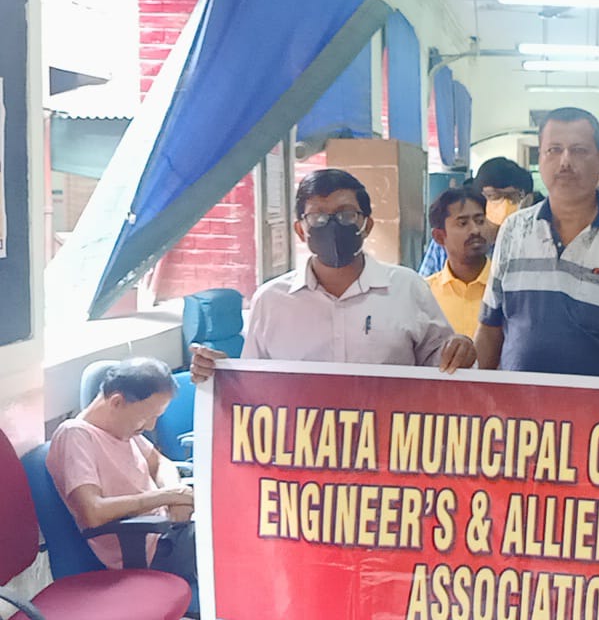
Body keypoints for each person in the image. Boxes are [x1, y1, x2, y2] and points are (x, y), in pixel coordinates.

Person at [191, 169, 475, 381]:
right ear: (301, 230)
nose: (332, 225)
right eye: (317, 217)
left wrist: (461, 350)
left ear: (367, 225)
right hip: (304, 453)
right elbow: (256, 387)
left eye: (346, 215)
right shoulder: (270, 301)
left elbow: (444, 370)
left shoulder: (407, 288)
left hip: (389, 448)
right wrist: (223, 375)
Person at [475, 107, 599, 379]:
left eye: (579, 150)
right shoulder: (514, 229)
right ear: (540, 157)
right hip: (519, 416)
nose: (565, 162)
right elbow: (491, 327)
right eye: (553, 150)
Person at [47, 358, 197, 586]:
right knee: (242, 542)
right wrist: (166, 497)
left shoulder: (124, 429)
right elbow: (93, 512)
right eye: (146, 416)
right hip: (148, 548)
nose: (150, 427)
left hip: (171, 530)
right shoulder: (76, 436)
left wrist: (174, 494)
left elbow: (159, 462)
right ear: (117, 402)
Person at [419, 159, 534, 277]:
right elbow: (424, 286)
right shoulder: (448, 240)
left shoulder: (529, 242)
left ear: (525, 200)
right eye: (494, 196)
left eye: (512, 197)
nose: (504, 203)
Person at [425, 187, 490, 338]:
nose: (475, 230)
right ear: (439, 237)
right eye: (463, 223)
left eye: (480, 221)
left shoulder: (507, 288)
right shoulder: (424, 293)